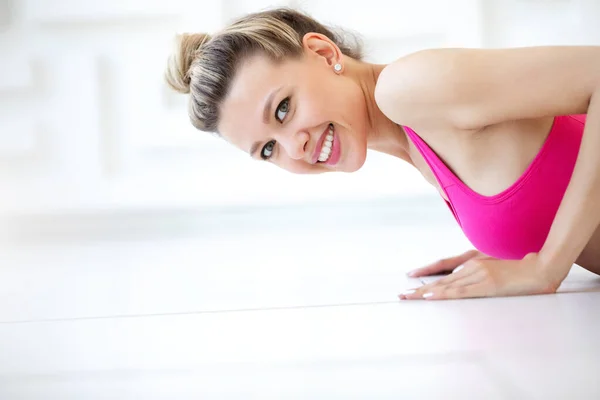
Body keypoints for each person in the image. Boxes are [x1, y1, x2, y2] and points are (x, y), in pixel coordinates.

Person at [164, 7, 600, 301]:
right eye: (268, 149)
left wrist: (547, 264)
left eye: (283, 109)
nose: (292, 146)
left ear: (322, 52)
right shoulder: (416, 140)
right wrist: (519, 243)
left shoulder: (408, 87)